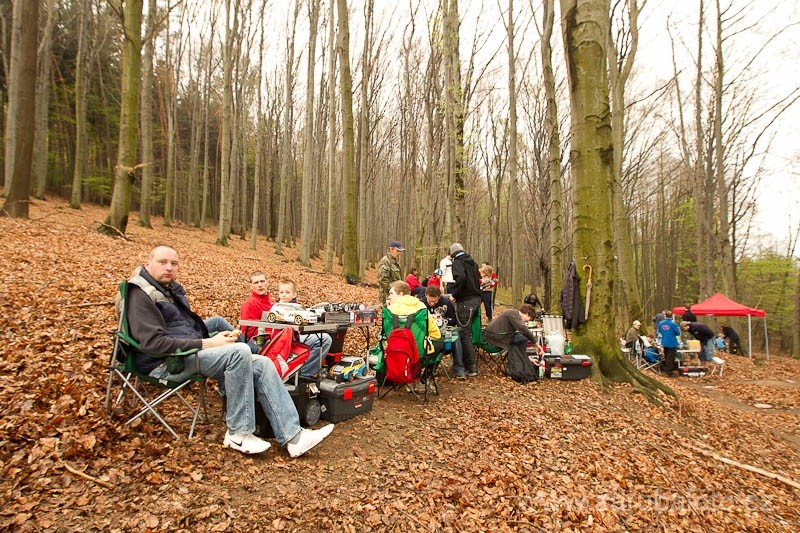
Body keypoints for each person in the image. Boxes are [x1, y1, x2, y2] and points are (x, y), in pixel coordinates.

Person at [127, 245, 334, 456]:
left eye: (174, 263)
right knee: (239, 351)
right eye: (163, 262)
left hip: (187, 353)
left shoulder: (169, 290)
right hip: (165, 362)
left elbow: (183, 330)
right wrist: (209, 343)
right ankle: (238, 433)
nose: (169, 267)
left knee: (263, 363)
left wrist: (216, 339)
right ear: (147, 264)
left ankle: (293, 436)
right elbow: (155, 344)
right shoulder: (141, 295)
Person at [276, 278, 332, 378]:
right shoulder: (276, 307)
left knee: (325, 338)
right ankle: (300, 374)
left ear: (294, 294)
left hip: (297, 335)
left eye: (287, 292)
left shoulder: (297, 307)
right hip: (282, 338)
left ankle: (304, 372)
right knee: (324, 339)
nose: (284, 295)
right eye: (281, 292)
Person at [449, 242, 482, 377]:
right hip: (476, 300)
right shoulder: (473, 263)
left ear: (453, 253)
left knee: (463, 334)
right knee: (466, 333)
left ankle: (469, 366)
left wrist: (454, 294)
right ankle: (469, 365)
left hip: (465, 302)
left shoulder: (457, 262)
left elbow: (461, 277)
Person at [420, 284, 465, 379]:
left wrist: (443, 321)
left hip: (444, 330)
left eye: (435, 301)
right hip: (428, 333)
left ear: (439, 297)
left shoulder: (446, 303)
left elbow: (454, 320)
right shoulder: (421, 304)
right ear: (426, 295)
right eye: (430, 301)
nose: (432, 304)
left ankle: (459, 369)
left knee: (456, 335)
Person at [239, 271, 274, 352]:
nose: (260, 285)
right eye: (256, 282)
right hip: (261, 344)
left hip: (278, 338)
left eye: (262, 281)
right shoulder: (249, 304)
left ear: (267, 282)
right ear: (251, 286)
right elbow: (247, 333)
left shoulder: (273, 302)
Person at [378, 240, 404, 305]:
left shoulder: (395, 262)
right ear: (391, 249)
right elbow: (383, 280)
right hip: (387, 295)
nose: (399, 253)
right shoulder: (385, 261)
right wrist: (393, 291)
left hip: (396, 294)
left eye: (400, 251)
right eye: (398, 251)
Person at [657, 311, 681, 375]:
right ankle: (668, 371)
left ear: (665, 315)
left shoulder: (661, 323)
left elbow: (659, 331)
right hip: (672, 342)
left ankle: (669, 370)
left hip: (664, 342)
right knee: (671, 357)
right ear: (671, 316)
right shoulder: (673, 324)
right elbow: (678, 333)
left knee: (666, 356)